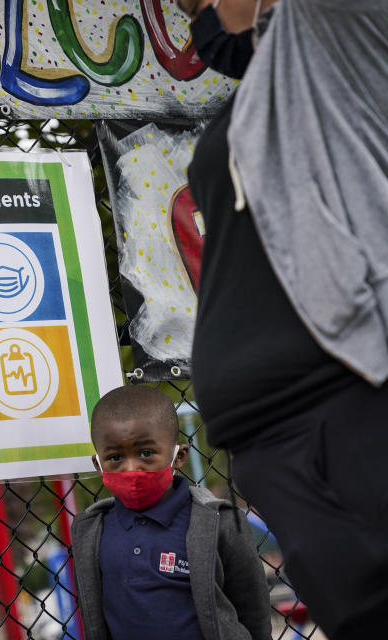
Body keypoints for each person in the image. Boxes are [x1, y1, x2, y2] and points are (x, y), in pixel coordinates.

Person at [179, 0, 388, 636]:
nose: (195, 13)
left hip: (352, 398)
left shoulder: (343, 34)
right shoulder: (267, 87)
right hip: (270, 440)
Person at [71, 386, 270, 640]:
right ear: (98, 464)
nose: (131, 468)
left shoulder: (221, 522)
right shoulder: (91, 533)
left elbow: (253, 609)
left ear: (179, 456)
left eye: (146, 453)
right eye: (115, 457)